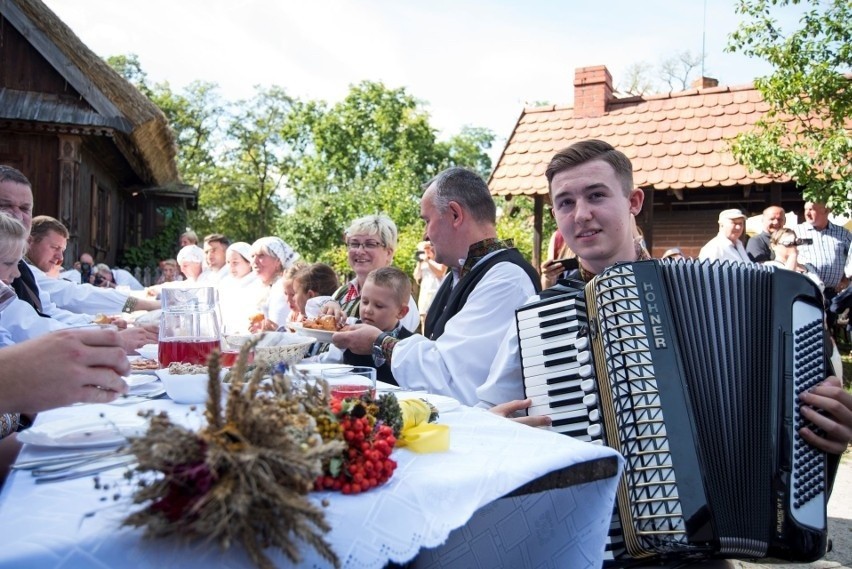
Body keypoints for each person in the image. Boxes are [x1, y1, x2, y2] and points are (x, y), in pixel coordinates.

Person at [478, 140, 850, 461]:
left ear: (633, 201)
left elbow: (810, 407)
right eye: (565, 203)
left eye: (596, 195)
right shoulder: (541, 318)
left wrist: (831, 421)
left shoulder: (722, 293)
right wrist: (494, 428)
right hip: (600, 529)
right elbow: (488, 411)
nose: (582, 214)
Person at [331, 167, 540, 407]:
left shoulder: (506, 279)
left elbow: (454, 379)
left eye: (427, 220)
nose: (426, 234)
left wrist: (380, 342)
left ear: (454, 214)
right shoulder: (460, 273)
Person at [322, 214, 420, 333]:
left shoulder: (399, 299)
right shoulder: (342, 292)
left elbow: (395, 346)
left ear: (388, 253)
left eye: (370, 244)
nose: (359, 251)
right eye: (354, 243)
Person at [318, 267, 415, 386]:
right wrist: (329, 304)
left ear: (401, 312)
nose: (368, 310)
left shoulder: (410, 345)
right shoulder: (350, 329)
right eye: (364, 302)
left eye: (379, 306)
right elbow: (327, 363)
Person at [796, 202, 851, 328]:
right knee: (809, 329)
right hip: (807, 291)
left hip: (831, 293)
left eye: (812, 209)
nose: (807, 213)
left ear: (826, 211)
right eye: (806, 209)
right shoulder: (797, 231)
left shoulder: (843, 233)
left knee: (828, 332)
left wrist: (845, 279)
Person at [247, 236, 299, 332]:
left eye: (261, 255)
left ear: (278, 260)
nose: (254, 261)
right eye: (252, 256)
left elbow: (280, 326)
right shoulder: (257, 285)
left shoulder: (281, 287)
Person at [218, 241, 260, 334]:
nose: (231, 267)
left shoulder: (259, 284)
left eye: (235, 262)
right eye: (228, 262)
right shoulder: (225, 284)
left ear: (249, 262)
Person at [412, 240, 446, 332]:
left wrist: (428, 261)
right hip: (425, 291)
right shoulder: (422, 263)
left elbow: (440, 273)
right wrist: (420, 262)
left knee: (437, 317)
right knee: (424, 318)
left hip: (437, 291)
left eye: (428, 247)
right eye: (424, 248)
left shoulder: (440, 260)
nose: (427, 250)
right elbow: (417, 276)